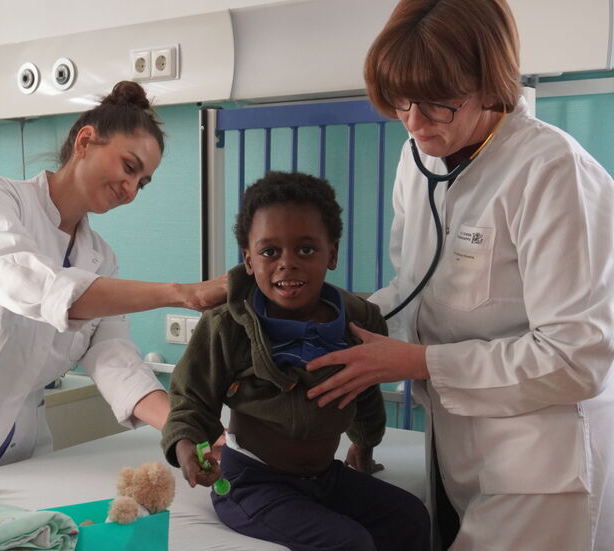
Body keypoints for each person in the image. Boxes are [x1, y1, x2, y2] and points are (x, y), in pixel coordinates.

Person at [304, 1, 614, 550]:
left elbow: (579, 356)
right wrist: (320, 311)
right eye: (401, 102)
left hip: (548, 461)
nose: (413, 122)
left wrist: (422, 362)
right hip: (462, 443)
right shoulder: (420, 157)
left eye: (437, 104)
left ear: (488, 82)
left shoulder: (552, 171)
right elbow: (412, 291)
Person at [0, 81, 227, 480]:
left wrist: (191, 432)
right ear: (85, 142)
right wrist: (183, 294)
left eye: (142, 182)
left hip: (14, 452)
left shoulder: (101, 259)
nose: (131, 189)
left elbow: (115, 360)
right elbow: (33, 285)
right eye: (129, 167)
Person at [162, 172, 431, 551]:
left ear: (332, 253)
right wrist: (186, 447)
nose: (287, 263)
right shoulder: (227, 325)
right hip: (253, 482)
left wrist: (365, 445)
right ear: (249, 260)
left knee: (411, 517)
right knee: (347, 542)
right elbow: (191, 397)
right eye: (270, 252)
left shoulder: (359, 321)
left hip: (325, 478)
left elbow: (366, 390)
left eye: (306, 249)